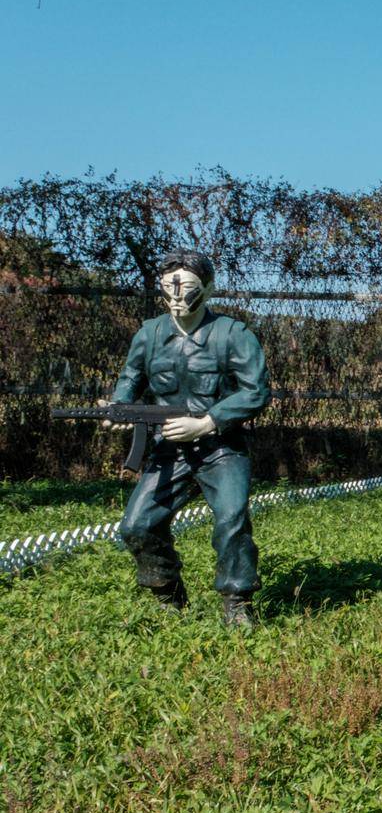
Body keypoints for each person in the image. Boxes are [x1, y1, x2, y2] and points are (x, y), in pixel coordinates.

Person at [109, 251, 270, 628]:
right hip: (170, 451)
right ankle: (167, 593)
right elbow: (130, 380)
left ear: (209, 290)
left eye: (188, 291)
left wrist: (208, 423)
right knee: (137, 525)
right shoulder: (149, 335)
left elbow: (255, 392)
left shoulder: (233, 335)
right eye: (169, 290)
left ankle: (237, 602)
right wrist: (120, 408)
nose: (177, 299)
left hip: (221, 448)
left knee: (232, 518)